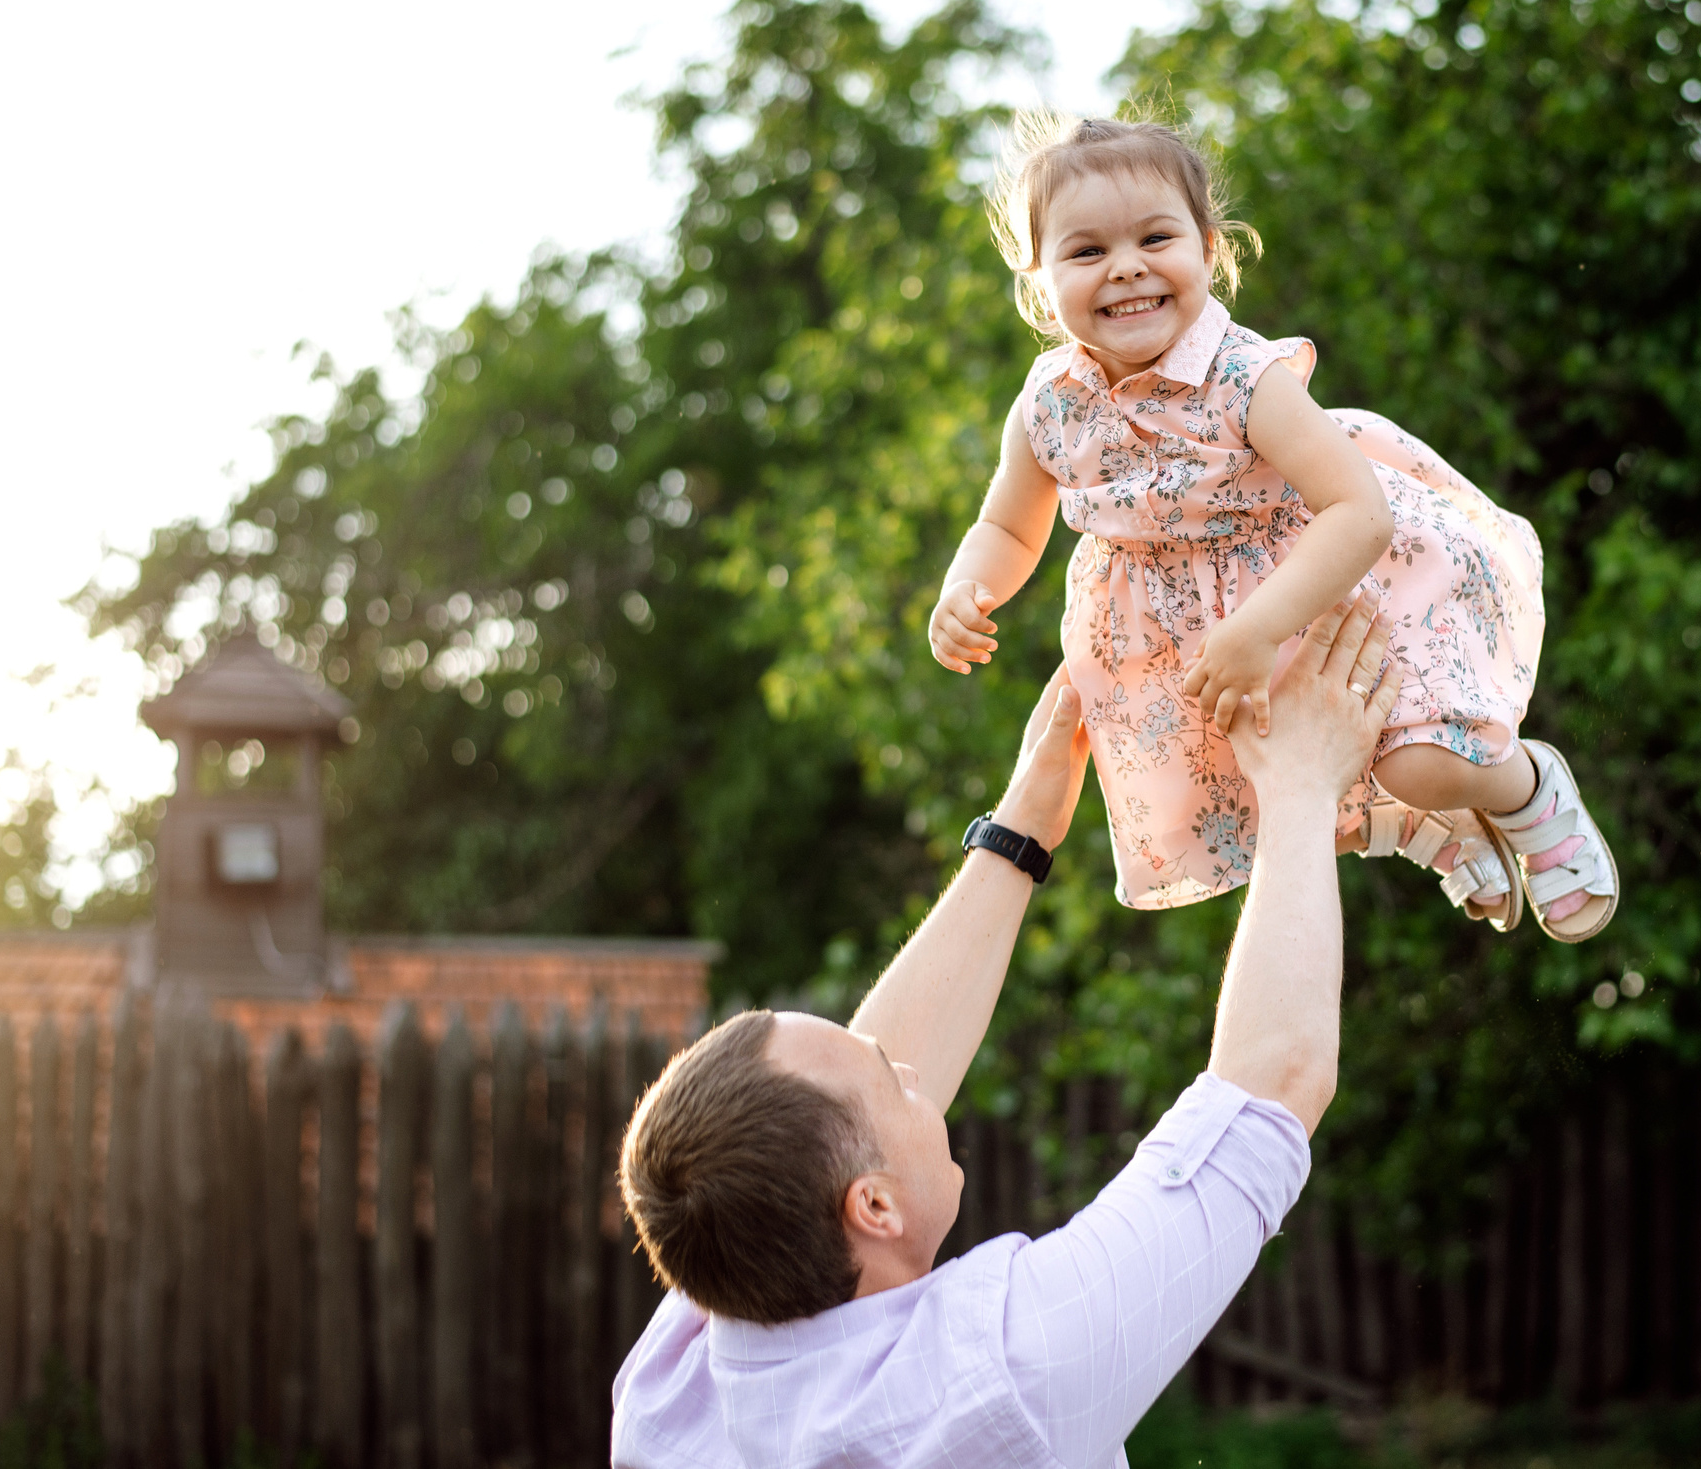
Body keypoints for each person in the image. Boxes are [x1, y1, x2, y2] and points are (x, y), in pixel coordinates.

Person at [611, 595, 1402, 1469]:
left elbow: (820, 1128)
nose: (914, 1073)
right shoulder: (999, 1381)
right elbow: (1275, 1081)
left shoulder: (681, 1373)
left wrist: (1017, 833)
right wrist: (1300, 780)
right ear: (872, 1206)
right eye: (892, 1079)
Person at [927, 112, 1618, 942]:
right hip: (1176, 640)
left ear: (1209, 249)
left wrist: (1258, 628)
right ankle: (1421, 828)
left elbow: (1357, 512)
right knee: (1269, 789)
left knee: (1418, 760)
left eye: (1155, 237)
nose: (1126, 268)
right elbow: (1007, 524)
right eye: (1086, 252)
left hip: (1327, 588)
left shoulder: (1242, 378)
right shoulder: (1048, 404)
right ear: (1040, 281)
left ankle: (1526, 790)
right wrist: (967, 588)